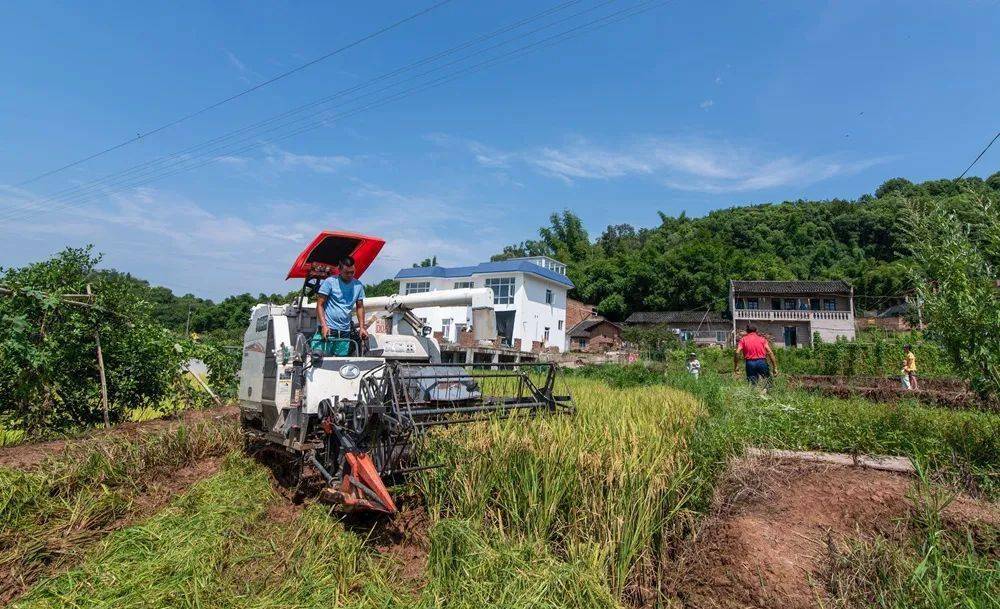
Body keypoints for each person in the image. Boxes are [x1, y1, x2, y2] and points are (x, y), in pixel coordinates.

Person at [316, 255, 367, 353]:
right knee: (321, 360)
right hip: (328, 329)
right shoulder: (330, 282)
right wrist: (323, 325)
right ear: (339, 270)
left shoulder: (358, 285)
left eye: (352, 272)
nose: (350, 275)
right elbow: (320, 304)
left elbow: (360, 307)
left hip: (345, 331)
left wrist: (362, 328)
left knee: (341, 362)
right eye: (347, 273)